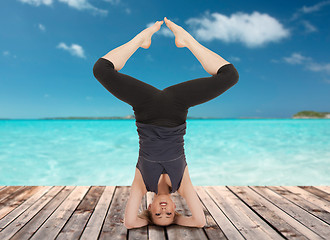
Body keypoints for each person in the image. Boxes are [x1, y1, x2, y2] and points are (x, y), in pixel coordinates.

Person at [92, 17, 239, 229]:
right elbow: (199, 222)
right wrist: (178, 219)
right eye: (168, 213)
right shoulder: (182, 185)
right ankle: (186, 40)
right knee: (230, 76)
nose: (163, 210)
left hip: (145, 108)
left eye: (158, 214)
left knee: (101, 69)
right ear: (175, 208)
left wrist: (155, 220)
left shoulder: (142, 185)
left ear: (150, 208)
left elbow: (131, 223)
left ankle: (141, 39)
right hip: (176, 106)